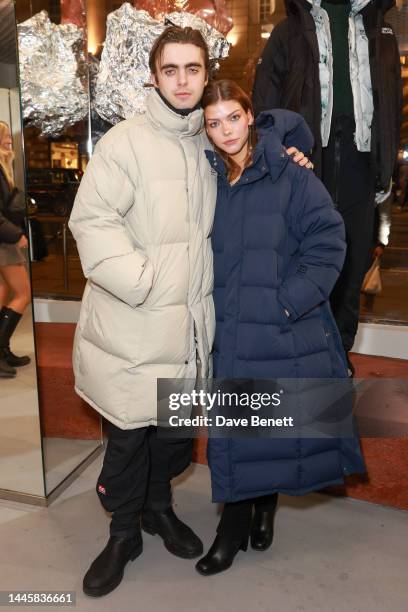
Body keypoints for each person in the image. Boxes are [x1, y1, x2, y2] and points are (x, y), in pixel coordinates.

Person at [69, 27, 311, 597]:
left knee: (173, 436)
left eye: (193, 69)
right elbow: (92, 222)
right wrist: (143, 281)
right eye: (170, 69)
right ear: (154, 75)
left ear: (207, 74)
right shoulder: (125, 143)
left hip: (193, 326)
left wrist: (288, 153)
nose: (182, 80)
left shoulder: (209, 142)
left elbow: (256, 150)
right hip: (137, 320)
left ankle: (159, 510)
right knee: (129, 438)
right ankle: (123, 533)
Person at [195, 79, 366, 576]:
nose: (225, 130)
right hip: (226, 325)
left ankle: (243, 519)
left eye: (232, 117)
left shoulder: (291, 173)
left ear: (251, 116)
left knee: (259, 427)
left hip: (274, 326)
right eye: (213, 122)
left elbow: (330, 241)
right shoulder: (205, 176)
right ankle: (249, 512)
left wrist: (287, 304)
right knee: (241, 426)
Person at [252, 0, 402, 376]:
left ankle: (338, 356)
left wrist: (386, 168)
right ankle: (301, 353)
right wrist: (275, 159)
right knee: (301, 265)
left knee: (351, 269)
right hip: (304, 163)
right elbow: (265, 103)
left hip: (360, 164)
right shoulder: (289, 31)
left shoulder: (380, 30)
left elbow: (391, 104)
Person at [0, 121, 31, 379]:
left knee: (3, 293)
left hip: (3, 240)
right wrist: (17, 234)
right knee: (23, 293)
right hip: (4, 242)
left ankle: (3, 351)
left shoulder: (3, 167)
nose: (10, 139)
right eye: (5, 136)